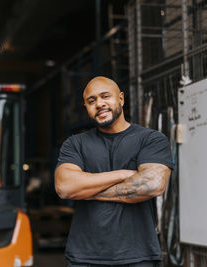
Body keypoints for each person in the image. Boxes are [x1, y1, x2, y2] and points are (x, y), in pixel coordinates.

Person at [55, 76, 174, 267]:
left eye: (105, 96)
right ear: (85, 107)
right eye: (91, 101)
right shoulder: (75, 144)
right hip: (85, 257)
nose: (99, 104)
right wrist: (122, 174)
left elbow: (151, 185)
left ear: (121, 99)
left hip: (138, 256)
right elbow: (65, 187)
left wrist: (88, 192)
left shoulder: (151, 139)